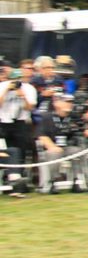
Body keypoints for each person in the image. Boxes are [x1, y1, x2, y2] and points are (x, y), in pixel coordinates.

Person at [36, 93, 86, 192]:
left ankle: (77, 181)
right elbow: (41, 135)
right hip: (50, 148)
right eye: (66, 102)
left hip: (67, 147)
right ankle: (52, 181)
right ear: (57, 103)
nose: (69, 104)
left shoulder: (74, 117)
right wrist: (52, 146)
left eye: (71, 102)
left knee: (79, 152)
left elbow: (79, 133)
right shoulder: (47, 117)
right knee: (54, 153)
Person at [1, 59, 38, 191]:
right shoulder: (2, 85)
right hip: (3, 123)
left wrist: (22, 96)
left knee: (21, 152)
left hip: (21, 123)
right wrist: (6, 90)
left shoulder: (29, 88)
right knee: (7, 152)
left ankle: (19, 182)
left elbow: (30, 108)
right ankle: (7, 179)